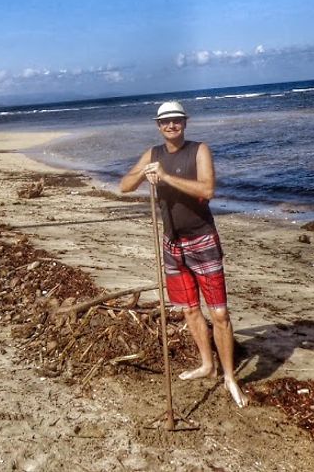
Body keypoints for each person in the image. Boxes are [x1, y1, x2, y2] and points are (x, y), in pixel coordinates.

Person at [120, 100, 249, 408]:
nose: (171, 126)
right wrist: (144, 175)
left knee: (219, 314)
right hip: (172, 243)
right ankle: (208, 364)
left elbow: (207, 190)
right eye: (165, 122)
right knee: (189, 309)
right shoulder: (153, 154)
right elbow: (124, 185)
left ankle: (230, 377)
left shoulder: (199, 150)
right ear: (158, 125)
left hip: (202, 240)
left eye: (176, 120)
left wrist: (164, 177)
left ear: (185, 123)